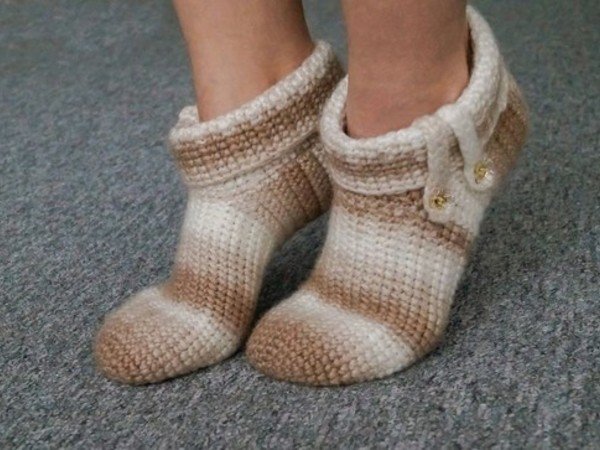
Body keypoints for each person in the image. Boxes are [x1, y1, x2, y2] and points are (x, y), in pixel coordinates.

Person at [94, 0, 529, 386]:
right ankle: (257, 98)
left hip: (438, 146)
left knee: (403, 74)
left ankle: (418, 101)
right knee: (241, 66)